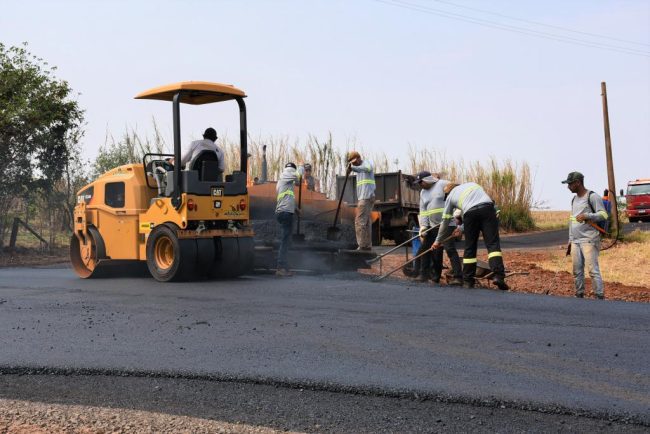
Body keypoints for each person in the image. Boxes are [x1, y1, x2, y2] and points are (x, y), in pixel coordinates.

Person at [432, 182, 507, 290]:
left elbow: (445, 221)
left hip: (470, 214)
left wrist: (438, 241)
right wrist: (461, 229)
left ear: (448, 193)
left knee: (470, 247)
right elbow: (480, 205)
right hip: (487, 209)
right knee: (493, 244)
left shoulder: (450, 196)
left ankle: (468, 281)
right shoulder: (473, 185)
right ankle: (498, 276)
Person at [412, 171, 462, 285]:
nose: (420, 184)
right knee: (427, 249)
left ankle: (458, 276)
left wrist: (458, 211)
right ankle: (427, 275)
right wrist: (423, 226)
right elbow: (423, 210)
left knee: (450, 249)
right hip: (432, 226)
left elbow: (458, 192)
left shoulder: (443, 184)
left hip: (447, 224)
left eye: (421, 182)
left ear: (428, 179)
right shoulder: (423, 193)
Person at [562, 172, 607, 299]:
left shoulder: (592, 197)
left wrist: (587, 216)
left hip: (589, 240)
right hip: (576, 241)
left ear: (578, 183)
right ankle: (579, 294)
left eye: (570, 184)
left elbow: (603, 215)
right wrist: (570, 239)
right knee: (577, 271)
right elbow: (572, 220)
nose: (568, 187)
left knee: (593, 270)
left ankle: (599, 296)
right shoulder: (574, 200)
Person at [275, 162, 301, 277]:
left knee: (286, 240)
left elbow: (286, 198)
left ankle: (284, 267)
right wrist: (301, 166)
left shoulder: (284, 182)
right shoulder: (287, 173)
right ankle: (281, 268)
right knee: (285, 241)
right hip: (285, 213)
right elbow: (299, 175)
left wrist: (295, 209)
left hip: (284, 212)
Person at [346, 151, 375, 251]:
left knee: (359, 221)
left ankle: (362, 245)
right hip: (365, 197)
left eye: (354, 162)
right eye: (352, 164)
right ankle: (367, 245)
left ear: (358, 158)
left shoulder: (366, 163)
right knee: (366, 222)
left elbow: (367, 168)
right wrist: (351, 169)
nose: (354, 164)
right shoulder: (358, 169)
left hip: (366, 197)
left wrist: (353, 168)